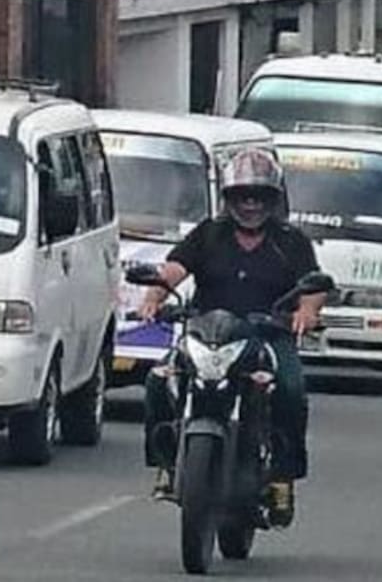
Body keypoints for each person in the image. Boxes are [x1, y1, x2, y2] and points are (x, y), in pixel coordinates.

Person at [138, 147, 325, 526]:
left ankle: (282, 479)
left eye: (259, 197)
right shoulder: (209, 234)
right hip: (207, 333)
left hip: (268, 336)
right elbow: (174, 268)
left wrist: (307, 311)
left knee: (290, 389)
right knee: (157, 382)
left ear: (273, 199)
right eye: (242, 196)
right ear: (228, 198)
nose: (251, 205)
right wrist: (154, 296)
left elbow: (313, 285)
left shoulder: (291, 241)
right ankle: (166, 465)